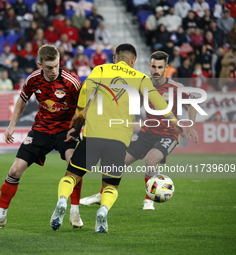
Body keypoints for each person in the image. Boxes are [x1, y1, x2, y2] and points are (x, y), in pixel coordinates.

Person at [49, 45, 184, 233]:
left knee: (72, 176)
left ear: (115, 58)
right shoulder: (141, 78)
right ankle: (103, 211)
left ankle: (62, 199)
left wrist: (78, 115)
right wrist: (174, 120)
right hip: (119, 140)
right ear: (133, 61)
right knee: (110, 185)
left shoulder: (101, 70)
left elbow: (85, 92)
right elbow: (157, 101)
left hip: (93, 135)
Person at [0, 45, 84, 229]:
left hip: (64, 130)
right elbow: (22, 98)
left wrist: (76, 130)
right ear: (40, 64)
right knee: (14, 171)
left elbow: (83, 108)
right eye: (49, 67)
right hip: (41, 130)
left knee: (74, 167)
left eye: (56, 66)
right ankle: (0, 217)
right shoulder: (33, 80)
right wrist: (11, 126)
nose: (53, 71)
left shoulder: (71, 81)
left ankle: (75, 213)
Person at [79, 51, 198, 211]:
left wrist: (190, 126)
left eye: (160, 67)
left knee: (150, 161)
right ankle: (101, 195)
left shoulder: (176, 88)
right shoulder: (143, 85)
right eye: (154, 66)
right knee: (116, 164)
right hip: (146, 133)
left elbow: (192, 104)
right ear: (149, 66)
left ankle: (149, 200)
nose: (156, 70)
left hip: (168, 135)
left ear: (166, 68)